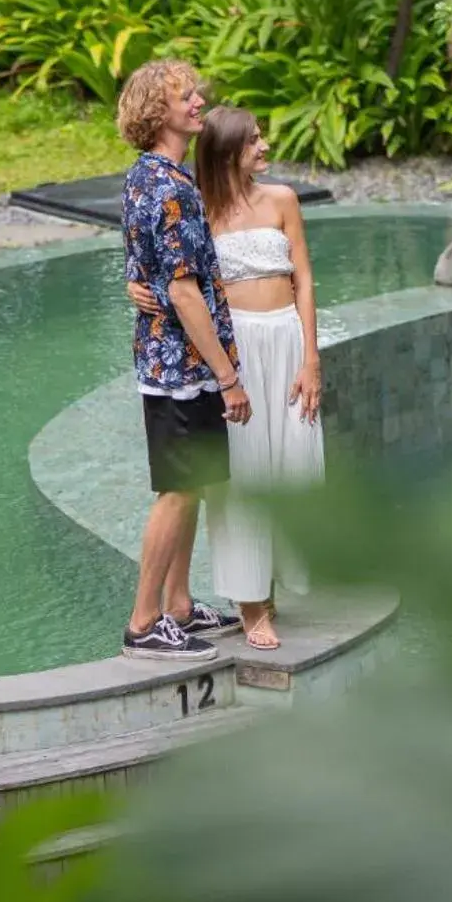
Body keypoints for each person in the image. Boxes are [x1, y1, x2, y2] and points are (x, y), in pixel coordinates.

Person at [129, 106, 321, 651]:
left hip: (285, 341)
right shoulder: (196, 206)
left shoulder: (282, 200)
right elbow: (165, 268)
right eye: (254, 139)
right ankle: (251, 602)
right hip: (233, 350)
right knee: (241, 476)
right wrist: (133, 286)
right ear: (228, 149)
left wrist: (311, 358)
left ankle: (275, 580)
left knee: (290, 464)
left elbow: (303, 278)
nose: (265, 146)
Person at [115, 60, 250, 660]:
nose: (199, 101)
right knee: (177, 491)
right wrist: (227, 376)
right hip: (181, 368)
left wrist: (132, 282)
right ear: (156, 112)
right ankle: (144, 623)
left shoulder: (150, 176)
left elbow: (141, 262)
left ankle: (178, 606)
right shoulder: (168, 187)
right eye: (185, 96)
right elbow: (183, 290)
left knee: (190, 486)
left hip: (172, 364)